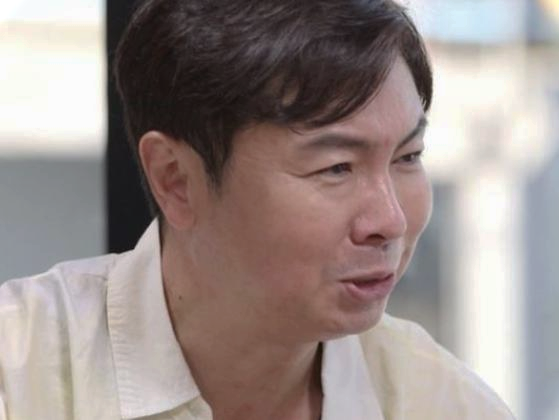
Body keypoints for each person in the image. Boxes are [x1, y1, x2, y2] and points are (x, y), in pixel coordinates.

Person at [0, 0, 515, 419]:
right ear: (176, 179)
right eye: (336, 167)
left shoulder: (443, 403)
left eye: (408, 157)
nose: (390, 221)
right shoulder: (21, 374)